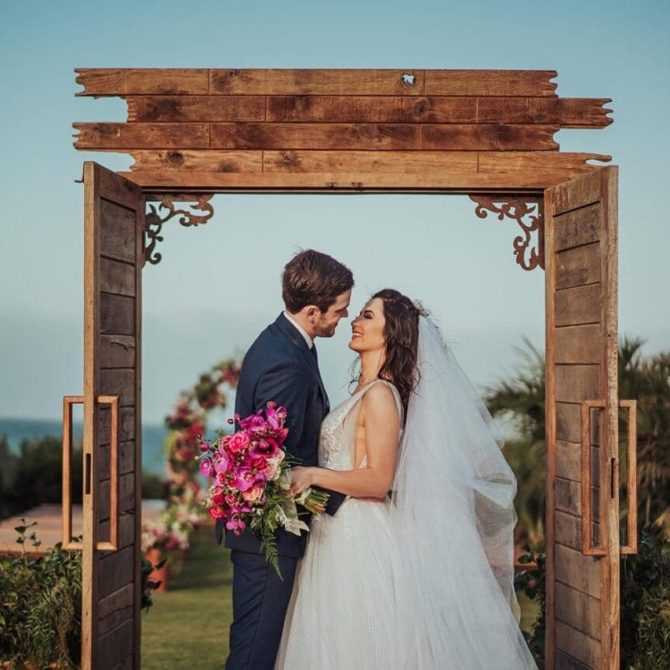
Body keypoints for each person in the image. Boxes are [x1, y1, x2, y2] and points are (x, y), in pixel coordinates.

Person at [276, 289, 537, 669]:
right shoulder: (363, 392)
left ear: (391, 333)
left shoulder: (381, 395)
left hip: (360, 536)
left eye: (367, 316)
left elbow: (379, 480)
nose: (355, 321)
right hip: (334, 534)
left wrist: (314, 474)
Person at [219, 249, 354, 670]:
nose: (344, 319)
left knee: (257, 645)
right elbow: (279, 462)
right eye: (340, 310)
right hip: (268, 536)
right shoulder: (287, 362)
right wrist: (345, 498)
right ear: (313, 311)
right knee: (255, 652)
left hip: (266, 534)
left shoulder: (285, 342)